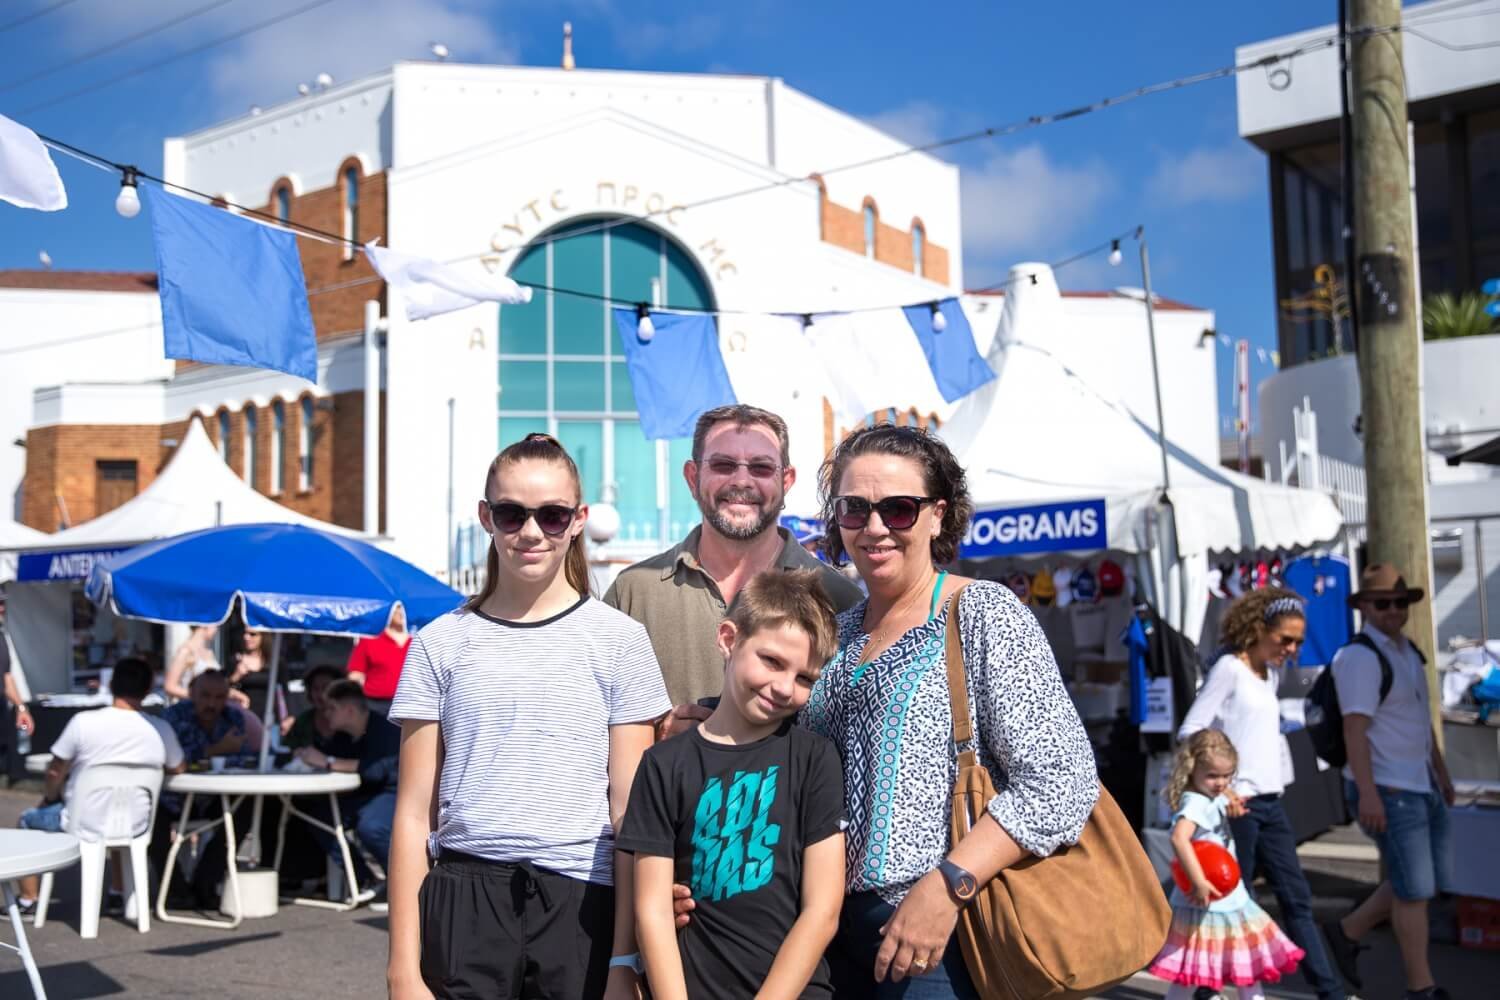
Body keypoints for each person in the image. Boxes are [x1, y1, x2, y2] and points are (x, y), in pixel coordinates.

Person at [801, 424, 1097, 997]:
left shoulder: (982, 612)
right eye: (855, 509)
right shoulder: (836, 635)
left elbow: (1062, 780)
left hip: (941, 936)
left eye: (900, 508)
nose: (876, 527)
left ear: (937, 515)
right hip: (829, 936)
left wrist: (949, 884)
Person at [386, 433, 670, 1000]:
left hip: (581, 904)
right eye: (513, 514)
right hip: (464, 898)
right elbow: (414, 815)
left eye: (553, 514)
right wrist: (402, 967)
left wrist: (624, 957)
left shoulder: (621, 641)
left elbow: (629, 816)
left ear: (579, 519)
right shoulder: (440, 643)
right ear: (486, 518)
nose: (532, 531)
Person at [621, 569, 847, 1000]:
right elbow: (650, 909)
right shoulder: (663, 764)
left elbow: (822, 911)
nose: (784, 687)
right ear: (728, 638)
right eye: (772, 661)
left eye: (804, 679)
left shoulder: (816, 760)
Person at [605, 404, 863, 723]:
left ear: (787, 481)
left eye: (761, 468)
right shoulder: (633, 594)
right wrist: (658, 741)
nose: (742, 481)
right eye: (724, 465)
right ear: (692, 477)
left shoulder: (839, 599)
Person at [1178, 588, 1347, 1000]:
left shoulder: (1268, 674)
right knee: (1235, 903)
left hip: (1271, 803)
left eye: (1298, 642)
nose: (1291, 649)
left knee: (1296, 898)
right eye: (1284, 640)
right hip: (1238, 807)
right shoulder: (1229, 671)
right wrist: (1225, 787)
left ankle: (1331, 991)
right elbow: (1190, 729)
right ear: (1258, 630)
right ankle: (1207, 989)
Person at [1323, 565, 1455, 1000]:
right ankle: (1422, 986)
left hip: (1418, 783)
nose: (1393, 611)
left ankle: (1347, 931)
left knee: (1418, 882)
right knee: (1414, 890)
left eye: (1400, 603)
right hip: (1390, 787)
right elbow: (1354, 731)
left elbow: (1420, 719)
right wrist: (1368, 793)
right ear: (1363, 606)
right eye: (1382, 603)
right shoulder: (1359, 657)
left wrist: (1441, 772)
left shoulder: (1406, 651)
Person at [12, 657, 185, 913]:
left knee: (27, 821)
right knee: (116, 819)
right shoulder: (160, 730)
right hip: (136, 823)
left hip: (81, 821)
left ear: (112, 684)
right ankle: (117, 891)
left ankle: (28, 900)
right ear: (148, 690)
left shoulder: (84, 723)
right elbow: (178, 766)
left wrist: (50, 797)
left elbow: (55, 770)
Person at [1148, 729, 1305, 999]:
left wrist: (1228, 798)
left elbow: (1220, 795)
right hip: (1209, 898)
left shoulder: (1208, 794)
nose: (1221, 782)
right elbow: (1179, 838)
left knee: (1218, 969)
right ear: (1191, 769)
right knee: (1204, 971)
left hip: (1227, 897)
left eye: (1227, 775)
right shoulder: (1195, 802)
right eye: (1213, 776)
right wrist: (1198, 881)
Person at [297, 678, 400, 910]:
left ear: (349, 710)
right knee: (320, 817)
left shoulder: (384, 729)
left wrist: (328, 762)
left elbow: (376, 771)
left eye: (331, 708)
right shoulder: (343, 735)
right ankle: (365, 878)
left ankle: (399, 884)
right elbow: (334, 758)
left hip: (392, 792)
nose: (325, 714)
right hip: (362, 794)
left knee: (371, 826)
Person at [161, 668, 265, 766]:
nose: (211, 704)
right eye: (205, 696)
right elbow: (170, 760)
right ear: (191, 694)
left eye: (219, 697)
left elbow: (245, 759)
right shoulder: (175, 715)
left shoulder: (232, 716)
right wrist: (215, 750)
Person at [346, 604, 411, 715]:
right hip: (375, 705)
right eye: (397, 608)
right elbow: (356, 673)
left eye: (403, 609)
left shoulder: (418, 640)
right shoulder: (370, 639)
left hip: (409, 704)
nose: (401, 613)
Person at [281, 663, 355, 754]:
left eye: (326, 687)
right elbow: (285, 751)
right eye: (315, 688)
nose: (320, 695)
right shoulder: (303, 721)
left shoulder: (352, 720)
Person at [1, 595, 35, 744]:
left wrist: (21, 708)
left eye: (2, 603)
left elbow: (6, 677)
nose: (2, 608)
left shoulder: (2, 637)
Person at [163, 624, 221, 702]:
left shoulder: (209, 652)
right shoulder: (185, 651)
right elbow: (170, 686)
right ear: (204, 625)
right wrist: (198, 695)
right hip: (191, 708)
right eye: (215, 625)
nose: (217, 630)